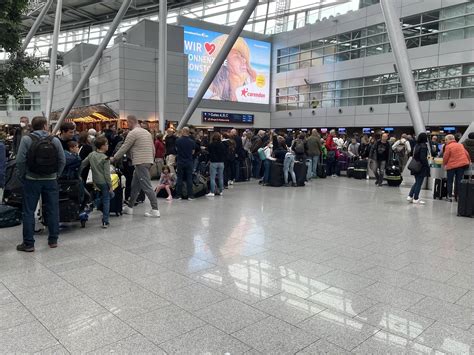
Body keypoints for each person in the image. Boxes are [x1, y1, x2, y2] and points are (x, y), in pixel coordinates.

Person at [16, 116, 66, 252]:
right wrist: (57, 175)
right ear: (45, 126)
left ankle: (29, 243)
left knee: (28, 211)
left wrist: (23, 175)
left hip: (31, 179)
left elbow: (20, 160)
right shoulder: (54, 140)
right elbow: (62, 160)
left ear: (32, 126)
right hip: (51, 180)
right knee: (52, 208)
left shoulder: (27, 139)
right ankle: (53, 240)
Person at [112, 115, 159, 217]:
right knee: (135, 186)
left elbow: (124, 147)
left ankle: (155, 209)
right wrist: (150, 160)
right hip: (147, 161)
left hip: (140, 162)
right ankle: (130, 207)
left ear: (131, 122)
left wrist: (114, 158)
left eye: (127, 123)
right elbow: (153, 149)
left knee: (146, 186)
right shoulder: (146, 132)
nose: (126, 125)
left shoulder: (133, 133)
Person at [208, 36, 257, 101]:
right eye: (236, 56)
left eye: (241, 56)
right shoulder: (216, 100)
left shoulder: (249, 97)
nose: (244, 60)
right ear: (225, 64)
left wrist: (255, 83)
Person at [81, 137, 114, 228]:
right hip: (104, 181)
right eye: (106, 144)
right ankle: (105, 221)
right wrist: (110, 185)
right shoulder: (105, 158)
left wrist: (78, 174)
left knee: (108, 196)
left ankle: (93, 203)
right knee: (107, 199)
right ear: (103, 146)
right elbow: (107, 174)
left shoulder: (92, 154)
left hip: (95, 180)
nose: (108, 146)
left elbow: (83, 163)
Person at [443, 134, 471, 202]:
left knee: (450, 181)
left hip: (451, 166)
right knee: (459, 181)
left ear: (449, 139)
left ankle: (449, 196)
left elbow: (446, 156)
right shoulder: (460, 145)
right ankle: (458, 196)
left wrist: (444, 164)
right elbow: (466, 154)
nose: (445, 141)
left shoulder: (448, 146)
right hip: (461, 165)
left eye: (446, 140)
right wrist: (469, 161)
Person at [407, 133, 430, 205]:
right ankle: (416, 198)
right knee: (419, 183)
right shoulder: (424, 146)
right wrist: (427, 166)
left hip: (415, 166)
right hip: (421, 167)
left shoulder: (417, 145)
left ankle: (410, 196)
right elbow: (423, 158)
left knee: (417, 182)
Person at [175, 127, 195, 200]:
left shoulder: (178, 141)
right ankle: (190, 195)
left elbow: (176, 150)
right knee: (189, 178)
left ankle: (178, 195)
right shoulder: (192, 141)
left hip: (180, 162)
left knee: (179, 178)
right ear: (188, 132)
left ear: (182, 132)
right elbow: (193, 152)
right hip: (189, 162)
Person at [206, 132, 226, 197]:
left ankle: (212, 192)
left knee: (212, 178)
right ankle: (221, 191)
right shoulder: (222, 145)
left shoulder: (211, 145)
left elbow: (208, 153)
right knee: (221, 177)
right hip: (221, 162)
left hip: (213, 162)